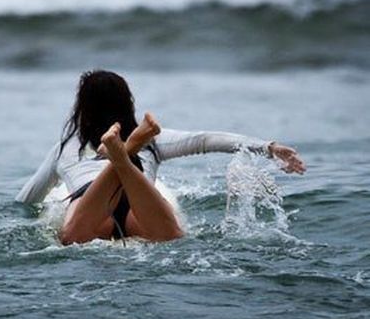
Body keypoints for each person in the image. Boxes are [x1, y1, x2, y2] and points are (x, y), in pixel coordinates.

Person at [15, 70, 306, 245]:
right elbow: (206, 140)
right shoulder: (153, 140)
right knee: (169, 238)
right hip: (140, 200)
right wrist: (268, 147)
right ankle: (125, 155)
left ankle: (121, 155)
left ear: (82, 110)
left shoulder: (65, 147)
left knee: (72, 238)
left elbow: (27, 199)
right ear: (127, 103)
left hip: (91, 199)